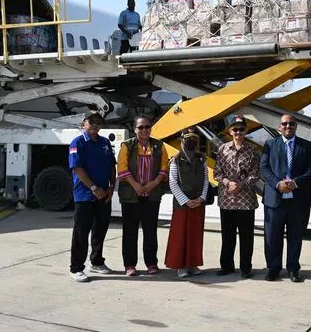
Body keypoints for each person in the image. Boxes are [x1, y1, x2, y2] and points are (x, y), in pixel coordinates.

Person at [260, 114, 311, 282]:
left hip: (298, 199)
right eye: (284, 123)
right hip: (274, 199)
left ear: (296, 126)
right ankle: (273, 268)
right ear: (279, 126)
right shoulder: (270, 145)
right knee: (272, 236)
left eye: (291, 123)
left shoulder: (306, 146)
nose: (288, 126)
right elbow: (264, 168)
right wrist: (278, 184)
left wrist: (295, 183)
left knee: (296, 235)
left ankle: (293, 268)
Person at [116, 115, 169, 276]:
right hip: (131, 194)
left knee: (150, 230)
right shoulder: (127, 146)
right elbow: (122, 168)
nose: (144, 130)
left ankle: (152, 263)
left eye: (147, 126)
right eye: (141, 127)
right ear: (135, 129)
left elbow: (164, 167)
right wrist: (136, 185)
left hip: (152, 194)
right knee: (130, 231)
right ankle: (130, 265)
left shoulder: (159, 146)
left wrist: (154, 183)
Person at [68, 111, 116, 282]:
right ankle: (76, 268)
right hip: (85, 195)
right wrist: (94, 187)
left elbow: (112, 165)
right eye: (91, 121)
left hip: (104, 195)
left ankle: (96, 262)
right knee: (81, 232)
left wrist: (111, 187)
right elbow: (77, 168)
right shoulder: (78, 142)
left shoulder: (104, 142)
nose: (95, 125)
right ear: (83, 124)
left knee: (100, 230)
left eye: (98, 122)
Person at [213, 116, 260, 279]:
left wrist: (241, 184)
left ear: (246, 130)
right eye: (235, 129)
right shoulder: (222, 149)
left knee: (246, 237)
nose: (238, 132)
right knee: (227, 236)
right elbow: (217, 173)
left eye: (241, 129)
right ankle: (226, 266)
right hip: (227, 199)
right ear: (230, 131)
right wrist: (228, 183)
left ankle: (246, 268)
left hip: (246, 200)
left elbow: (255, 174)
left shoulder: (252, 150)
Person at [165, 128, 209, 278]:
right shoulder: (175, 160)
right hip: (182, 205)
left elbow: (206, 180)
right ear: (181, 140)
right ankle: (181, 266)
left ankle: (193, 264)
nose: (190, 142)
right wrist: (185, 201)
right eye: (187, 138)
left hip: (198, 203)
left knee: (195, 236)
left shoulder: (202, 159)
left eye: (193, 139)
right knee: (180, 236)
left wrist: (202, 198)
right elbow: (172, 182)